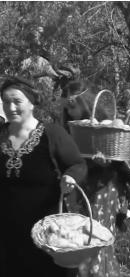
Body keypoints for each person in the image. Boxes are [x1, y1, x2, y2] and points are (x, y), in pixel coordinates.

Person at [0, 76, 87, 277]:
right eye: (5, 102)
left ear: (31, 103)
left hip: (47, 235)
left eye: (17, 101)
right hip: (7, 233)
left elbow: (77, 164)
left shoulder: (52, 134)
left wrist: (71, 177)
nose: (10, 107)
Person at [60, 80, 130, 277]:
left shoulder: (106, 128)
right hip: (80, 188)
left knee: (97, 235)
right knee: (80, 236)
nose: (69, 112)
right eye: (67, 108)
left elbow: (119, 161)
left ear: (84, 102)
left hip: (103, 188)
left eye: (72, 106)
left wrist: (105, 163)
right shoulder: (72, 128)